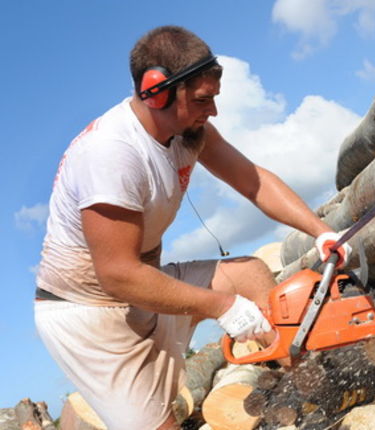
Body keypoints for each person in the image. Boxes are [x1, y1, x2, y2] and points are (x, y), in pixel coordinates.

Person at [33, 25, 348, 430]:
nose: (212, 111)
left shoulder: (189, 132)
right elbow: (116, 274)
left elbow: (252, 179)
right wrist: (223, 306)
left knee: (249, 274)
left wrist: (321, 231)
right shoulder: (111, 154)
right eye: (203, 100)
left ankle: (319, 397)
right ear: (156, 91)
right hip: (89, 316)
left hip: (143, 286)